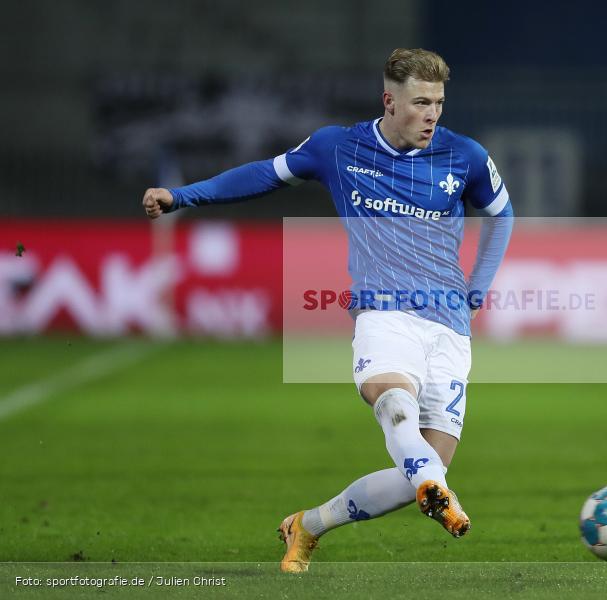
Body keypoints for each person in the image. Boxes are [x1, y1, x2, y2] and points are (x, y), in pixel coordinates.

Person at [142, 48, 514, 570]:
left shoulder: (465, 156)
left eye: (438, 103)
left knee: (418, 472)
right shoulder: (337, 147)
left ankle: (310, 524)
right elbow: (263, 174)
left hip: (449, 327)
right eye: (420, 102)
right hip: (384, 312)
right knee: (393, 400)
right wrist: (182, 197)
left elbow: (502, 215)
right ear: (390, 101)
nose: (432, 114)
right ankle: (436, 487)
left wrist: (476, 293)